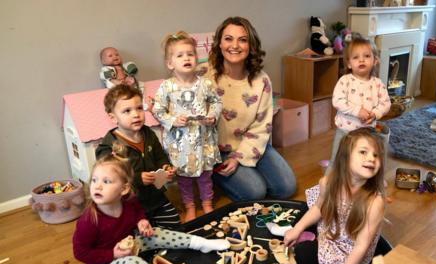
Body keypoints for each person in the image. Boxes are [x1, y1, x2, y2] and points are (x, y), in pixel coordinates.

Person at [72, 149, 230, 264]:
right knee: (132, 262)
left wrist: (141, 221)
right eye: (94, 180)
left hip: (130, 246)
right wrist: (112, 254)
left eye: (106, 181)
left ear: (124, 189)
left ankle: (200, 243)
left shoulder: (129, 202)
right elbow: (80, 253)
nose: (97, 186)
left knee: (157, 232)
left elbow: (137, 212)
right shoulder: (88, 220)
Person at [203, 16, 296, 201]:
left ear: (250, 45)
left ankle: (245, 170)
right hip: (217, 151)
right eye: (228, 39)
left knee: (287, 187)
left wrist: (239, 157)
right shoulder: (204, 76)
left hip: (253, 143)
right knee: (255, 192)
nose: (235, 45)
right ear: (219, 44)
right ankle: (214, 176)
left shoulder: (261, 81)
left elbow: (262, 127)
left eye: (242, 40)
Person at [284, 127, 386, 264]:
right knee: (300, 216)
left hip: (349, 255)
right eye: (363, 152)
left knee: (303, 252)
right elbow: (318, 208)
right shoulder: (328, 183)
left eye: (376, 155)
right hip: (332, 233)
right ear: (345, 157)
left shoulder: (375, 202)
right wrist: (297, 229)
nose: (371, 158)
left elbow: (361, 247)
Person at [152, 31, 222, 222]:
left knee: (205, 175)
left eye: (190, 54)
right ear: (170, 63)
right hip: (180, 144)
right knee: (184, 178)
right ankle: (189, 205)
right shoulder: (166, 86)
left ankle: (207, 202)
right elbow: (157, 109)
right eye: (180, 55)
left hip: (203, 140)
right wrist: (172, 119)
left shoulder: (205, 84)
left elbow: (216, 103)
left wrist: (211, 116)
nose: (186, 58)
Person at [96, 85, 181, 229]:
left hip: (156, 197)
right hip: (129, 203)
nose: (136, 114)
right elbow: (111, 177)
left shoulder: (148, 134)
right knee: (134, 235)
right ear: (113, 117)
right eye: (127, 111)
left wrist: (165, 167)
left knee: (175, 224)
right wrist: (137, 178)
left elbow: (160, 157)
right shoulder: (109, 146)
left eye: (139, 108)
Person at [326, 34, 391, 175]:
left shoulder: (378, 84)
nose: (361, 60)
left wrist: (375, 114)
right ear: (349, 63)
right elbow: (337, 100)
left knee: (367, 162)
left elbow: (386, 103)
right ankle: (327, 187)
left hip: (367, 132)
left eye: (367, 56)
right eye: (356, 57)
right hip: (345, 132)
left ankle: (372, 186)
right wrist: (357, 111)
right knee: (336, 161)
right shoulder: (345, 81)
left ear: (375, 60)